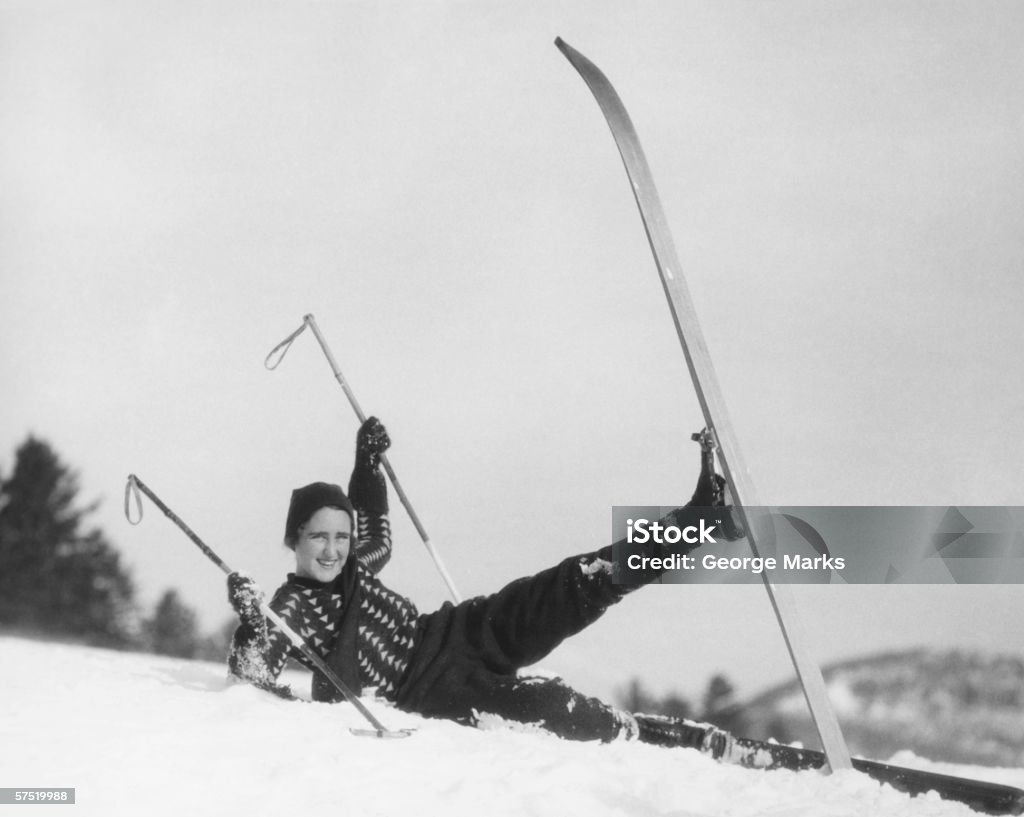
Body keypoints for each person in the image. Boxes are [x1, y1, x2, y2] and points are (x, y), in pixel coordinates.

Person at [227, 418, 741, 754]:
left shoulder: (357, 566)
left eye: (340, 536)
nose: (332, 549)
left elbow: (376, 527)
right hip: (434, 691)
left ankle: (701, 517)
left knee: (577, 583)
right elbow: (253, 679)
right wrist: (251, 623)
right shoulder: (288, 608)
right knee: (552, 711)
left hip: (461, 631)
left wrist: (366, 463)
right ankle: (664, 737)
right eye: (318, 536)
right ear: (294, 539)